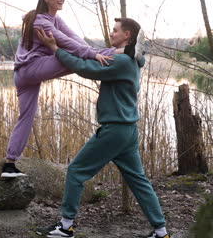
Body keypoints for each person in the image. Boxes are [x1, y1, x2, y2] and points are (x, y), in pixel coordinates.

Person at [35, 18, 169, 238]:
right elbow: (91, 55)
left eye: (115, 31)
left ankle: (65, 226)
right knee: (138, 181)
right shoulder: (131, 59)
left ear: (127, 35)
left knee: (76, 171)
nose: (111, 33)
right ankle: (161, 232)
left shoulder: (123, 62)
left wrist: (54, 48)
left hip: (115, 130)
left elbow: (84, 68)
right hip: (128, 130)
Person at [1, 0, 119, 177]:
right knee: (71, 59)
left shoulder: (56, 20)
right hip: (31, 68)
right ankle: (118, 55)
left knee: (26, 118)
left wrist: (92, 51)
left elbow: (75, 39)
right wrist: (92, 54)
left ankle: (9, 165)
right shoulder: (40, 20)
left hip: (26, 75)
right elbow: (64, 42)